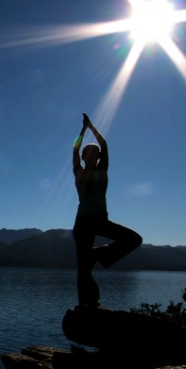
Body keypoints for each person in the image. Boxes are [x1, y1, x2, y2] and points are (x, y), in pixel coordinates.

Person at [72, 112, 142, 309]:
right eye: (88, 154)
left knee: (133, 239)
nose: (92, 157)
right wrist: (83, 130)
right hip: (83, 222)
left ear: (98, 158)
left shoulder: (102, 171)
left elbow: (104, 145)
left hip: (100, 220)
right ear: (84, 158)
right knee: (83, 269)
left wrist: (91, 127)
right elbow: (75, 149)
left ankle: (99, 255)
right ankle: (87, 304)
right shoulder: (79, 172)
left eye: (95, 154)